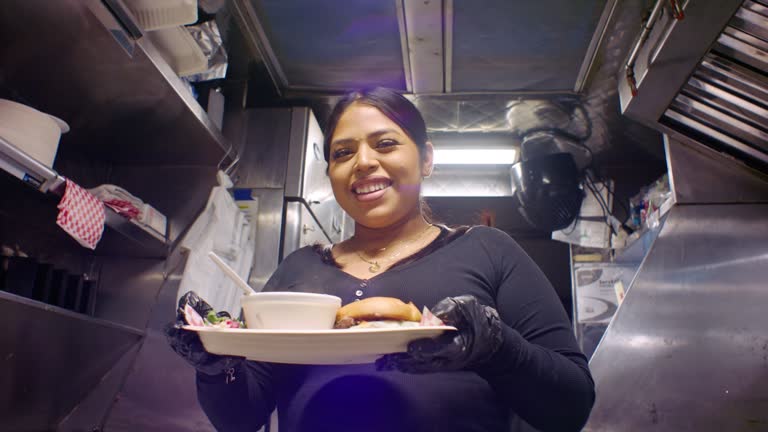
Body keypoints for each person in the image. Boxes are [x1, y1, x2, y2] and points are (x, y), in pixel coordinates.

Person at [166, 87, 595, 432]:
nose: (364, 162)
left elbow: (570, 408)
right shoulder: (297, 269)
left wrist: (498, 347)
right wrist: (216, 365)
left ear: (426, 158)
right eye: (342, 152)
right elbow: (241, 417)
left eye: (385, 144)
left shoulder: (488, 251)